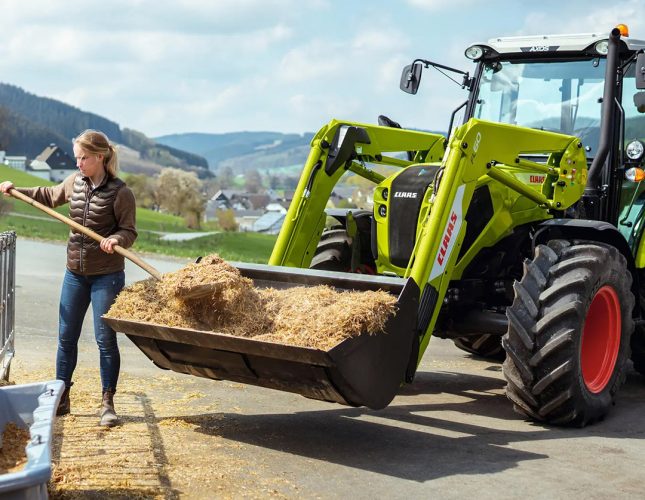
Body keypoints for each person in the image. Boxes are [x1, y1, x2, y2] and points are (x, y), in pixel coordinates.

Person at [0, 129, 137, 427]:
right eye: (76, 158)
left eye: (83, 158)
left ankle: (107, 403)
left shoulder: (120, 192)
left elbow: (129, 231)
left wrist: (116, 239)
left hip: (107, 276)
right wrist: (16, 190)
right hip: (74, 273)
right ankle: (61, 397)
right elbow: (49, 196)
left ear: (100, 157)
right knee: (66, 338)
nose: (78, 164)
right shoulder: (74, 183)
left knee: (105, 340)